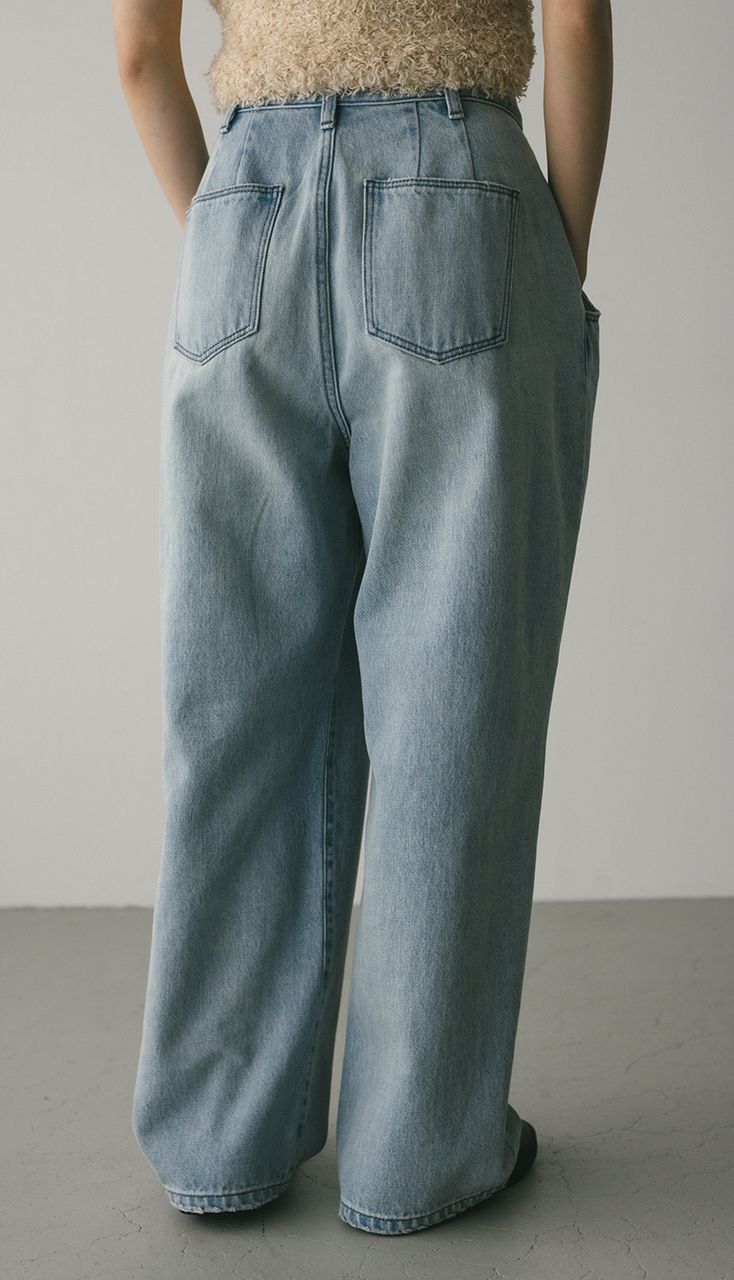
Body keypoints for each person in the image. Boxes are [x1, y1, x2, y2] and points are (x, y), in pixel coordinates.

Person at [113, 0, 612, 1234]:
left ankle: (218, 1135)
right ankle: (418, 1153)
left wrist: (244, 226)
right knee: (454, 707)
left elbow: (137, 57)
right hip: (461, 193)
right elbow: (574, 19)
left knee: (235, 711)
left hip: (247, 204)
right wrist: (556, 259)